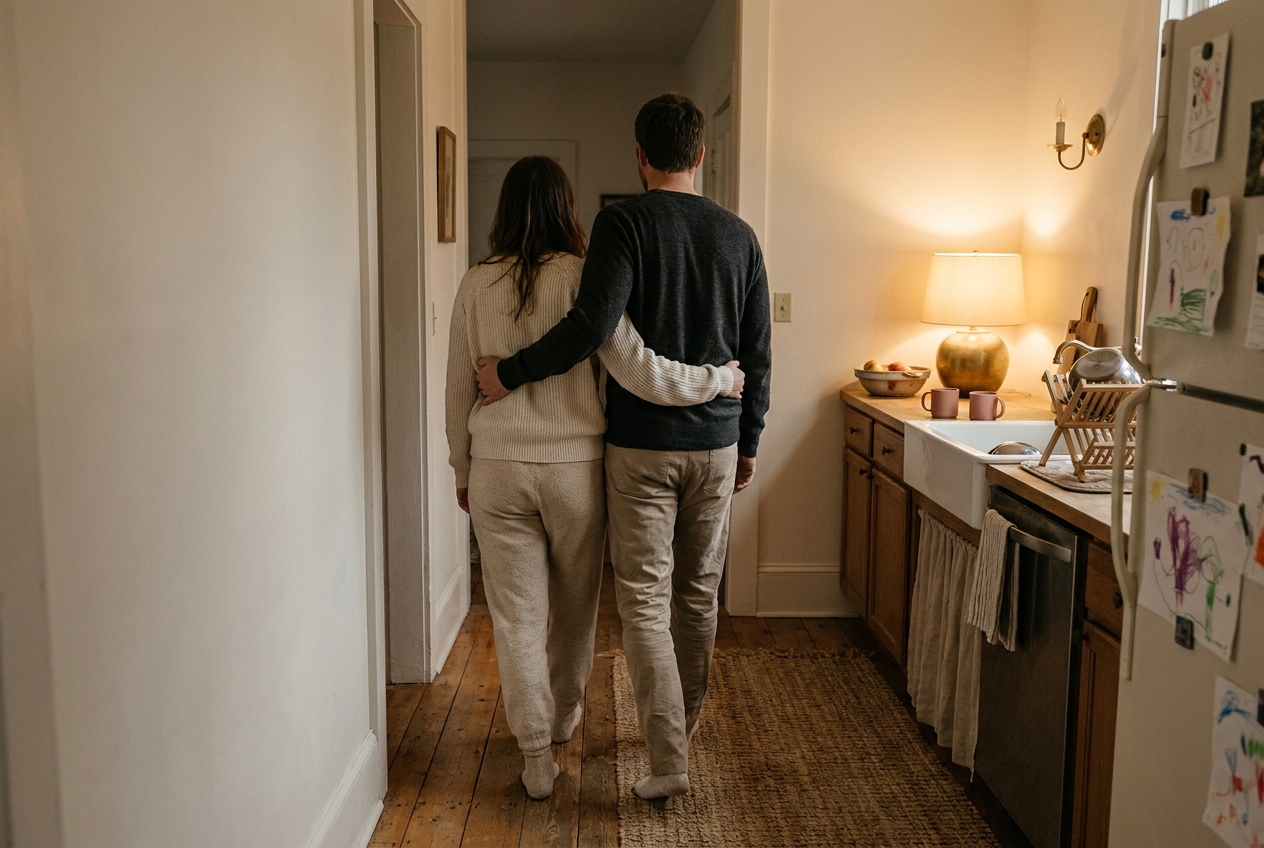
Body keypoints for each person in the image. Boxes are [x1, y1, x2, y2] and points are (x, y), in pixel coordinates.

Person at [475, 94, 772, 799]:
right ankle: (681, 729)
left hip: (640, 448)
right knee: (698, 597)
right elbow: (757, 354)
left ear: (639, 156)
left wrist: (509, 373)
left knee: (642, 600)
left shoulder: (623, 223)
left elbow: (592, 328)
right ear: (700, 156)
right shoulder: (740, 236)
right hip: (719, 445)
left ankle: (669, 759)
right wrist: (750, 438)